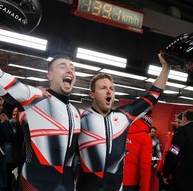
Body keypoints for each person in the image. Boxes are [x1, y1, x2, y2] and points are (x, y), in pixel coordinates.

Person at [0, 0, 81, 190]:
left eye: (73, 68)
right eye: (63, 66)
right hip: (34, 184)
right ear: (49, 75)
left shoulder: (75, 112)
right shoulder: (34, 98)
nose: (70, 70)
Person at [76, 53, 171, 191]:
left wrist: (166, 67)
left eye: (111, 88)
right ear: (92, 94)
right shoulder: (80, 117)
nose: (109, 91)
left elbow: (153, 95)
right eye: (103, 88)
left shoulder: (124, 116)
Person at [162, 109, 193, 191]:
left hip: (185, 181)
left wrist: (165, 173)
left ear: (184, 119)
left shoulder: (183, 131)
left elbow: (173, 154)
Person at [123, 112, 154, 191]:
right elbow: (145, 166)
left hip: (112, 180)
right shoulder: (145, 138)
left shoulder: (121, 131)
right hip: (130, 183)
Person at [156, 112, 183, 191]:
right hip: (166, 171)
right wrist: (160, 169)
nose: (176, 124)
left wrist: (166, 173)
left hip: (173, 174)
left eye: (179, 122)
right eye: (176, 122)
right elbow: (166, 154)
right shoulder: (173, 134)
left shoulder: (179, 136)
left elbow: (173, 156)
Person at [3, 107, 25, 191]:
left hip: (18, 158)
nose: (15, 117)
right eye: (14, 115)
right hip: (9, 158)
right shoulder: (8, 124)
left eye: (17, 115)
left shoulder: (22, 126)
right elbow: (10, 139)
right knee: (7, 181)